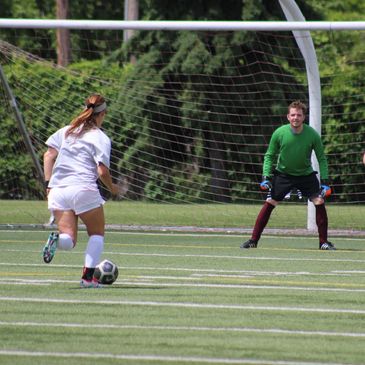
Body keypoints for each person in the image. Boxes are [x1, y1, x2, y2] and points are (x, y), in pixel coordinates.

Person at [42, 94, 119, 288]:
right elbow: (102, 171)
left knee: (69, 238)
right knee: (97, 234)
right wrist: (112, 188)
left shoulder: (68, 130)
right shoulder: (100, 137)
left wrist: (48, 184)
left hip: (58, 190)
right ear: (103, 114)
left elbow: (48, 155)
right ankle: (87, 279)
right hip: (82, 188)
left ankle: (57, 240)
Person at [241, 100, 335, 250]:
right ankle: (253, 240)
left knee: (319, 201)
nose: (295, 118)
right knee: (270, 202)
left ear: (304, 117)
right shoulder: (279, 133)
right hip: (283, 175)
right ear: (287, 116)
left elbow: (322, 159)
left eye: (298, 115)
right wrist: (266, 177)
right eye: (293, 115)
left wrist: (325, 181)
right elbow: (269, 155)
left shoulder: (312, 135)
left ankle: (323, 242)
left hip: (306, 175)